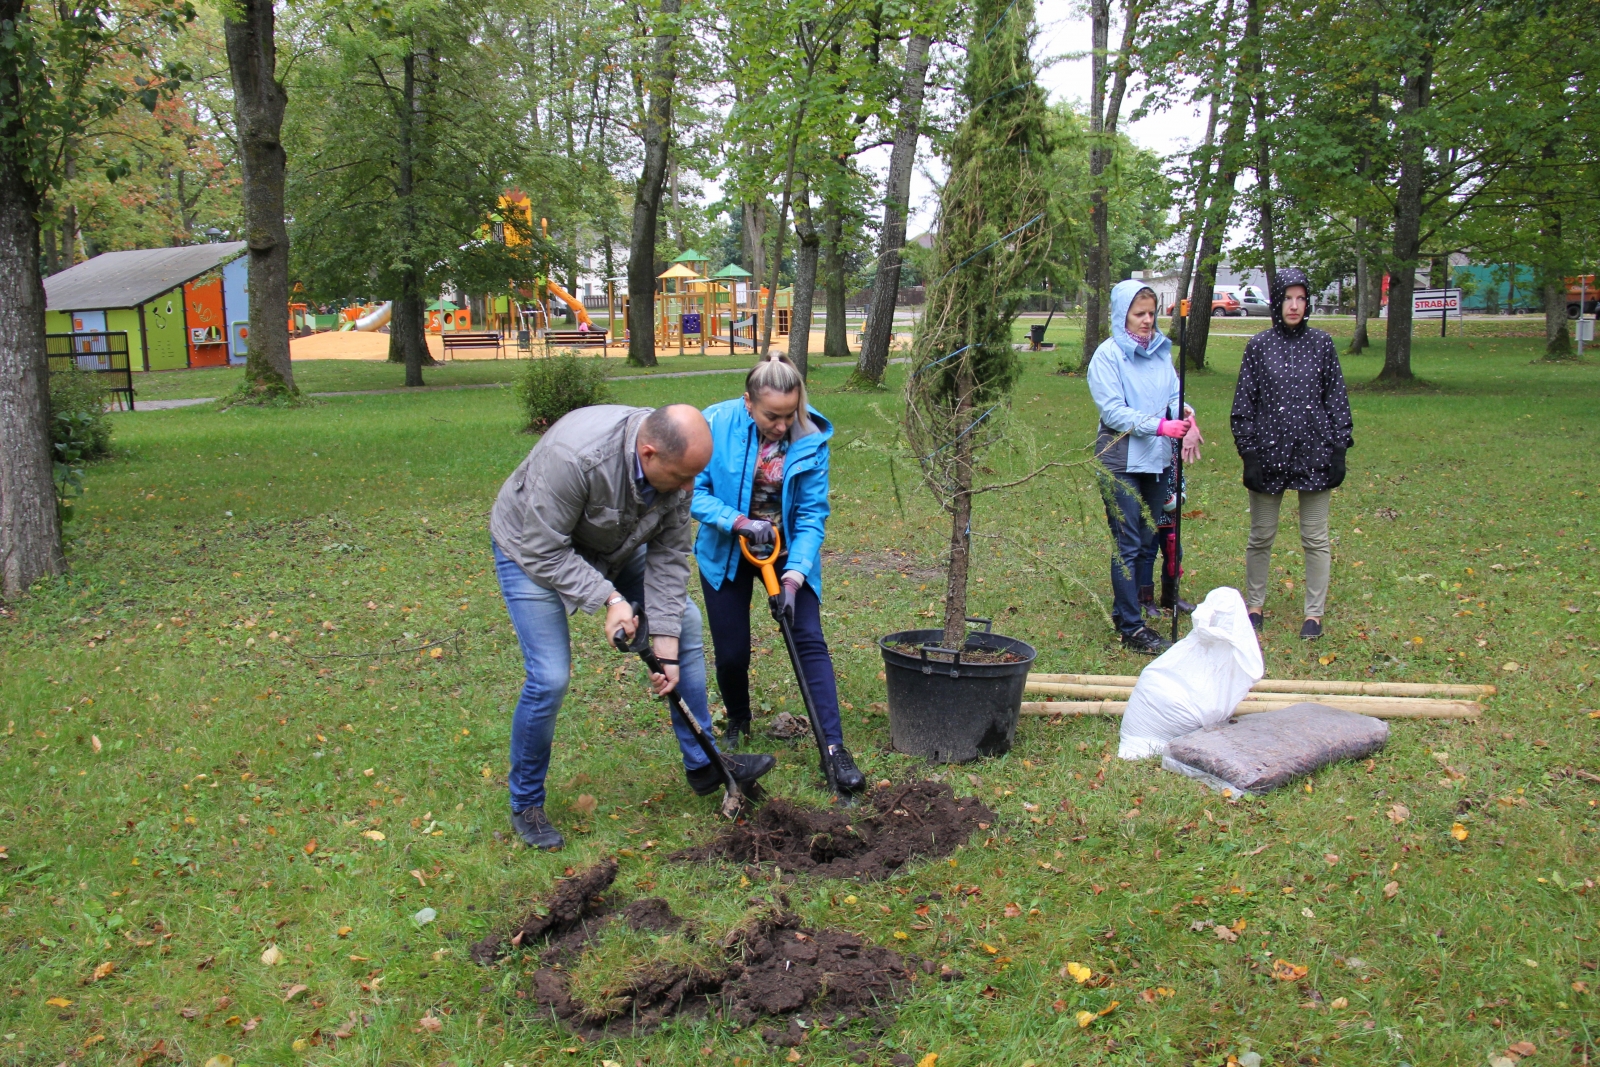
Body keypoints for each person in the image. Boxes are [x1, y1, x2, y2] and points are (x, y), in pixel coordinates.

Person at [489, 403, 777, 850]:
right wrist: (610, 598)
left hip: (614, 544)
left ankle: (704, 763)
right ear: (648, 453)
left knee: (684, 621)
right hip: (530, 550)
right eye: (682, 477)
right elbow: (544, 549)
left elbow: (667, 559)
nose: (688, 489)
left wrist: (665, 649)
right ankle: (526, 802)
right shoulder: (576, 456)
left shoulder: (677, 471)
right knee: (549, 677)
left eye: (694, 477)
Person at [692, 354, 866, 793]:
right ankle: (738, 719)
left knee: (808, 639)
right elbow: (691, 490)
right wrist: (739, 522)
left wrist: (793, 579)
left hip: (787, 553)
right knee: (731, 652)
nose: (782, 425)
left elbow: (811, 516)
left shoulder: (810, 438)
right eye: (773, 415)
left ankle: (834, 748)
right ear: (748, 403)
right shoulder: (714, 424)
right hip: (727, 550)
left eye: (791, 414)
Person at [1230, 267, 1354, 640]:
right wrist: (1249, 455)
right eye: (1288, 298)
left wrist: (1338, 450)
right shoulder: (1258, 346)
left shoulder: (1323, 344)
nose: (1294, 306)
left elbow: (1336, 399)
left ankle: (1313, 614)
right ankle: (1254, 606)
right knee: (1261, 535)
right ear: (1277, 302)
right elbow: (1243, 406)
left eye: (1301, 299)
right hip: (1268, 455)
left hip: (1314, 453)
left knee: (1315, 537)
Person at [1088, 279, 1203, 655]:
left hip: (1155, 458)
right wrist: (1160, 425)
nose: (1147, 321)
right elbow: (1114, 411)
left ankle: (1135, 607)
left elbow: (1175, 396)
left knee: (1149, 537)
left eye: (1151, 313)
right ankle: (1130, 626)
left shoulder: (1160, 353)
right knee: (1129, 541)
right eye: (1139, 314)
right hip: (1120, 459)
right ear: (1123, 315)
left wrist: (1188, 420)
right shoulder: (1107, 356)